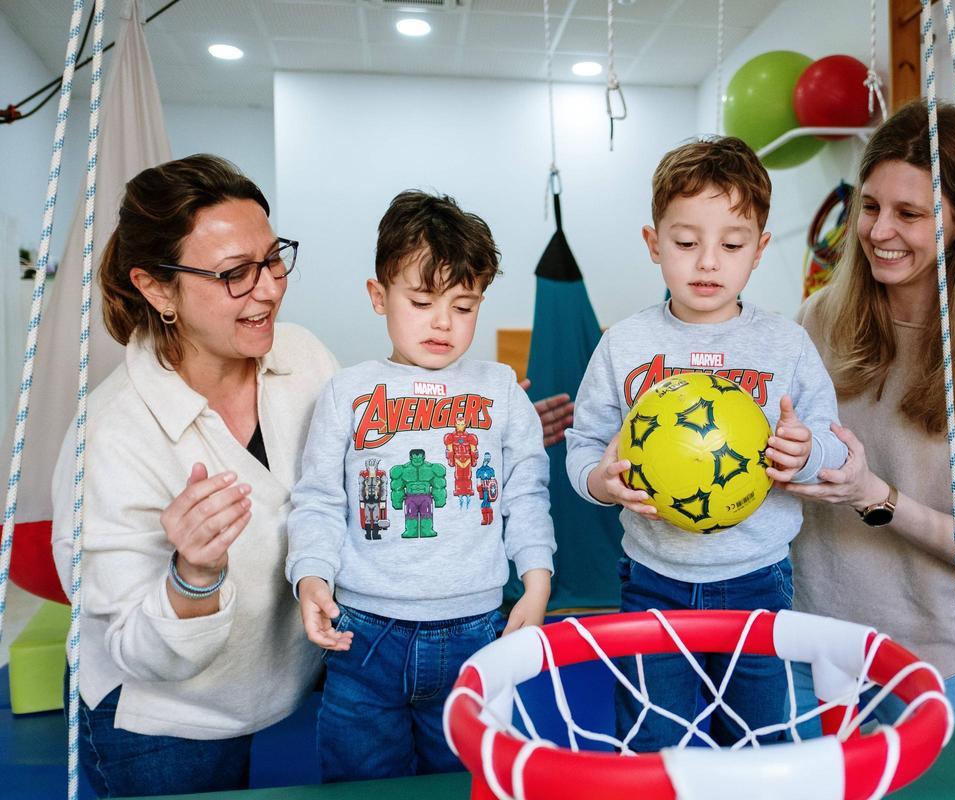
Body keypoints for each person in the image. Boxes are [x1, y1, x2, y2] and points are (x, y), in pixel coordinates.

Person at [48, 156, 569, 798]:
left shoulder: (299, 355)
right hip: (164, 715)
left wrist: (491, 430)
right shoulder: (110, 436)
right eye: (235, 273)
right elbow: (137, 646)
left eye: (273, 260)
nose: (268, 289)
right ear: (157, 289)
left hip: (291, 681)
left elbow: (380, 444)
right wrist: (194, 574)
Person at [783, 100, 955, 742]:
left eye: (909, 214)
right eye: (870, 206)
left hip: (924, 650)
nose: (880, 230)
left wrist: (874, 496)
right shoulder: (819, 319)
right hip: (807, 627)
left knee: (930, 780)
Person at [565, 137, 847, 751]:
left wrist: (808, 454)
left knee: (758, 739)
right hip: (652, 578)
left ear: (760, 249)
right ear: (654, 243)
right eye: (687, 243)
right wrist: (599, 481)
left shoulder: (787, 344)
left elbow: (835, 446)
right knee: (650, 738)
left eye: (732, 245)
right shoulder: (624, 344)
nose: (708, 263)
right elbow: (583, 444)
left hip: (758, 580)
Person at [286, 191, 556, 783]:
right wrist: (311, 577)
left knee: (469, 782)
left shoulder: (501, 389)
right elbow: (319, 500)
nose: (442, 322)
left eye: (463, 305)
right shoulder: (347, 392)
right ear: (378, 295)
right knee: (362, 787)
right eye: (422, 301)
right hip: (364, 634)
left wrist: (537, 583)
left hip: (475, 628)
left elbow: (526, 493)